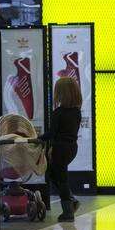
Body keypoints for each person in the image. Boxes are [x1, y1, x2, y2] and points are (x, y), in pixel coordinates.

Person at [42, 77, 82, 222]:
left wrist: (38, 138)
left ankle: (68, 211)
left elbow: (52, 133)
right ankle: (71, 200)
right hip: (72, 148)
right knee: (54, 174)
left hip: (60, 148)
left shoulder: (58, 112)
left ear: (61, 94)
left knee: (61, 178)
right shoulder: (77, 112)